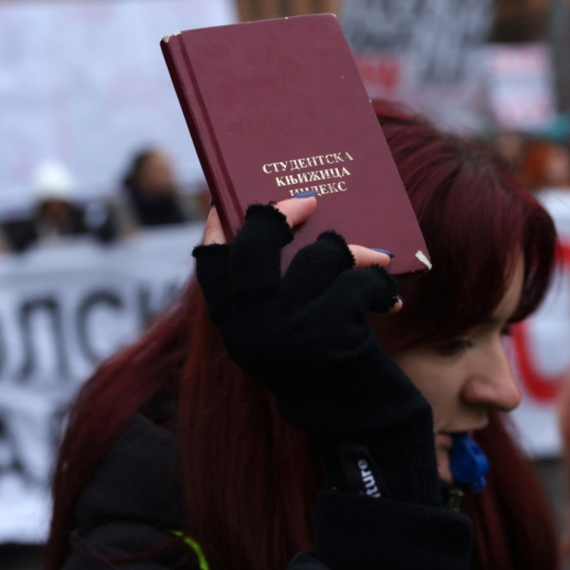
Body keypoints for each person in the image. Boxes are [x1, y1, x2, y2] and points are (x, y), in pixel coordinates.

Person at [46, 102, 559, 570]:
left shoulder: (483, 484)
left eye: (505, 332)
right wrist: (389, 517)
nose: (505, 393)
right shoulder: (139, 536)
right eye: (452, 342)